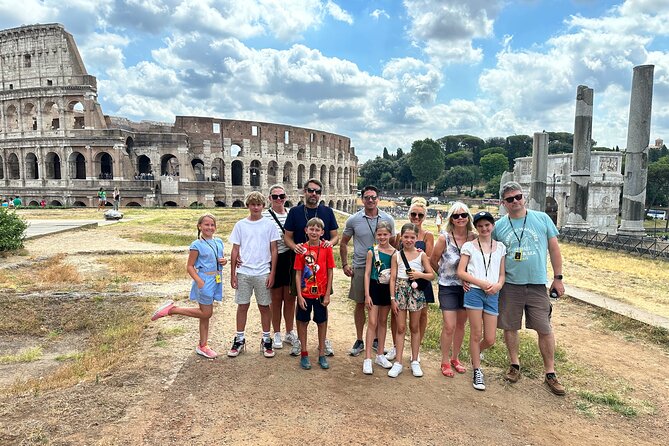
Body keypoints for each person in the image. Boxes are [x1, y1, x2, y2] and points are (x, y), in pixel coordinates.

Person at [493, 181, 566, 396]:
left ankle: (550, 372)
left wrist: (558, 278)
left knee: (544, 328)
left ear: (523, 197)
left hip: (536, 283)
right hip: (510, 284)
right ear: (503, 203)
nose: (515, 201)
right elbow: (492, 254)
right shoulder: (499, 226)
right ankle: (514, 364)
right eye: (510, 199)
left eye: (518, 197)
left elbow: (554, 249)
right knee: (510, 326)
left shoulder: (542, 219)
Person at [151, 214, 227, 359]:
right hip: (204, 279)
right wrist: (199, 281)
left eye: (212, 225)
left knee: (204, 315)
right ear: (200, 226)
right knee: (206, 313)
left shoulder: (219, 242)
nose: (209, 227)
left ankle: (203, 345)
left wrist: (223, 261)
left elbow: (217, 259)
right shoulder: (196, 245)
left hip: (217, 279)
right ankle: (172, 310)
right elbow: (190, 266)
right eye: (206, 225)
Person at [284, 178, 339, 356]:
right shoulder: (295, 212)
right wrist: (295, 247)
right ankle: (301, 342)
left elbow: (335, 236)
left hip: (321, 266)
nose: (313, 194)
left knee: (323, 303)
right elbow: (288, 237)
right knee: (302, 304)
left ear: (320, 194)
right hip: (302, 264)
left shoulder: (327, 211)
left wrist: (329, 244)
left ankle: (323, 342)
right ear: (304, 192)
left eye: (316, 191)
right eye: (310, 190)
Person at [341, 185, 395, 357]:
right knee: (360, 303)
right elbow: (343, 242)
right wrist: (344, 264)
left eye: (373, 197)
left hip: (383, 269)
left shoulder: (387, 219)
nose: (370, 200)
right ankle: (359, 339)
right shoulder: (354, 219)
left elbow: (393, 244)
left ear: (378, 198)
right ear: (362, 199)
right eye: (366, 197)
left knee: (380, 305)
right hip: (361, 265)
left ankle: (377, 340)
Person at [228, 191, 280, 359]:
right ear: (248, 206)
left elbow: (274, 250)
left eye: (258, 204)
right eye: (253, 204)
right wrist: (233, 274)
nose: (256, 207)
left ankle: (266, 339)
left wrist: (272, 272)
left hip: (262, 271)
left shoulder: (269, 225)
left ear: (263, 206)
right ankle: (240, 338)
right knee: (242, 305)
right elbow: (235, 249)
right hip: (244, 271)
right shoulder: (241, 225)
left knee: (264, 306)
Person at [458, 211, 506, 391]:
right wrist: (481, 283)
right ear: (476, 228)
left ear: (492, 226)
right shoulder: (469, 246)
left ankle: (475, 353)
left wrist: (498, 286)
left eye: (487, 225)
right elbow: (461, 271)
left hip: (493, 293)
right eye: (480, 226)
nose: (484, 228)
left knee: (491, 338)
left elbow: (502, 274)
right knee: (476, 334)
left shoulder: (500, 247)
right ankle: (477, 369)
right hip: (475, 292)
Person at [430, 202, 476, 377]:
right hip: (448, 286)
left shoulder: (473, 238)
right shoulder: (444, 238)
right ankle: (444, 360)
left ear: (468, 217)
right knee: (449, 325)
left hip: (466, 287)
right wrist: (443, 275)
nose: (460, 219)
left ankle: (455, 358)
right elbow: (433, 259)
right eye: (456, 216)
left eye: (463, 215)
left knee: (460, 325)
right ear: (451, 219)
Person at [388, 223, 434, 378]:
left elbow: (431, 275)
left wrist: (419, 275)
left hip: (415, 292)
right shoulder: (397, 255)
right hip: (400, 292)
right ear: (401, 237)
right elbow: (393, 278)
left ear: (416, 239)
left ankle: (415, 360)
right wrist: (392, 298)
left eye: (412, 237)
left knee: (415, 327)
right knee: (400, 328)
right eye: (406, 237)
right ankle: (399, 362)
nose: (408, 240)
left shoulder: (421, 255)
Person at [394, 197, 434, 361]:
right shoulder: (401, 234)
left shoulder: (428, 235)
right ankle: (397, 347)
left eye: (420, 215)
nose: (416, 218)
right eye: (413, 214)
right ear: (409, 214)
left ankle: (416, 349)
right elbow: (396, 253)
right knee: (398, 314)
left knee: (421, 315)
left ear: (424, 217)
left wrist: (418, 259)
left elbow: (429, 258)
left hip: (420, 278)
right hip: (404, 280)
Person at [294, 217, 335, 370]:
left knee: (321, 322)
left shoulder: (326, 248)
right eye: (311, 229)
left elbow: (330, 272)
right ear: (306, 230)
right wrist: (299, 295)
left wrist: (327, 294)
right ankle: (304, 353)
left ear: (322, 232)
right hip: (305, 293)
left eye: (317, 229)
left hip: (320, 293)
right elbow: (298, 274)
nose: (314, 232)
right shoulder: (302, 250)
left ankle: (322, 353)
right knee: (303, 322)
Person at [262, 184, 298, 350]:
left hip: (291, 259)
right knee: (275, 299)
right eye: (275, 196)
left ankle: (289, 331)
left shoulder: (292, 213)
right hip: (273, 259)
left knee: (290, 299)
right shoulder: (265, 217)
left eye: (281, 196)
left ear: (286, 197)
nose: (278, 199)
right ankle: (276, 332)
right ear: (269, 198)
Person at [362, 221, 395, 374]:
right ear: (376, 235)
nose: (382, 237)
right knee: (373, 322)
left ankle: (380, 354)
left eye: (385, 234)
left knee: (383, 322)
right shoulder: (372, 251)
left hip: (387, 289)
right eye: (379, 234)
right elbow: (367, 274)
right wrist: (367, 294)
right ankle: (368, 357)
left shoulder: (394, 253)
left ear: (390, 235)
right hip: (375, 287)